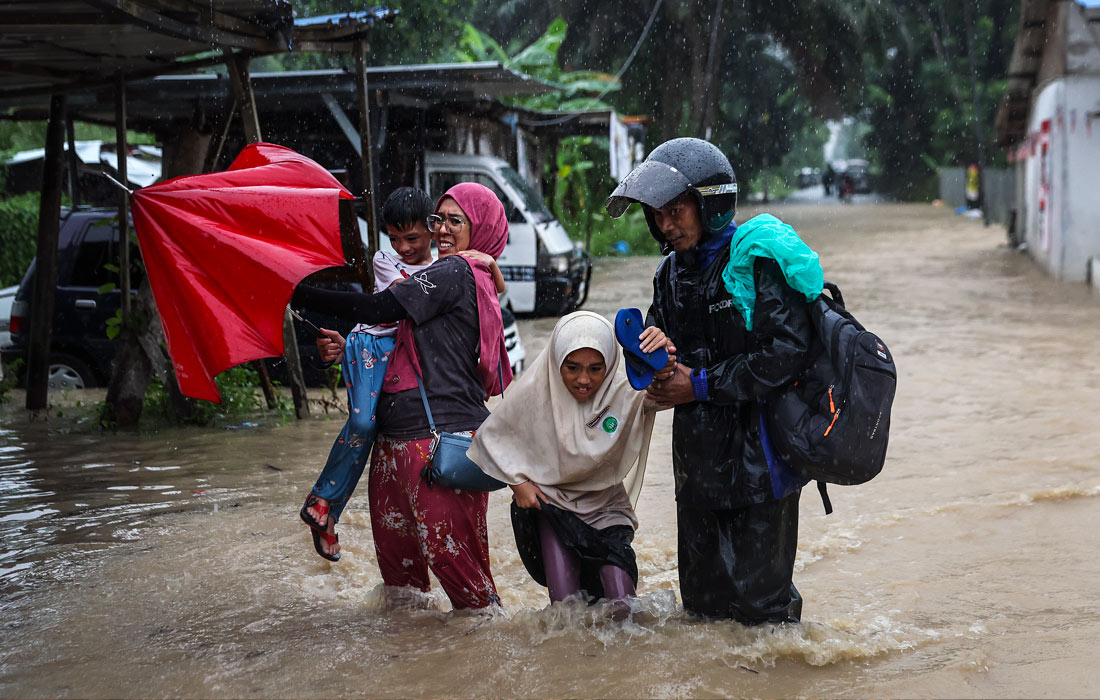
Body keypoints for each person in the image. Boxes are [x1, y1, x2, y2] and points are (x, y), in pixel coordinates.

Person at [605, 137, 819, 625]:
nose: (665, 224)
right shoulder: (669, 275)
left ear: (711, 204)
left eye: (676, 211)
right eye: (657, 214)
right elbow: (662, 363)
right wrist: (649, 356)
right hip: (697, 462)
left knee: (765, 614)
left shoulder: (755, 262)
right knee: (701, 608)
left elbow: (785, 355)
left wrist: (698, 385)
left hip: (761, 460)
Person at [293, 182, 512, 610]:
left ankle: (487, 669)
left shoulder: (455, 272)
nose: (444, 230)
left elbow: (380, 310)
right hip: (395, 441)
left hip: (434, 445)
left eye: (456, 221)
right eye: (440, 219)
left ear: (480, 228)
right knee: (403, 594)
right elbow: (396, 346)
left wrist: (296, 291)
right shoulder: (456, 275)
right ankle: (415, 670)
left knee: (465, 587)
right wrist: (346, 347)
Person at [467, 312, 667, 614]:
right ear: (555, 361)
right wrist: (518, 483)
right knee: (565, 609)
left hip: (607, 509)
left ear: (610, 365)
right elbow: (490, 439)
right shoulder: (535, 392)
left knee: (623, 604)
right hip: (554, 507)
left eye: (595, 369)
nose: (584, 379)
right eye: (572, 368)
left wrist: (663, 358)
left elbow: (665, 392)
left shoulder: (625, 391)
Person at [298, 187, 435, 562]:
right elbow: (398, 301)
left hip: (405, 359)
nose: (403, 247)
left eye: (412, 238)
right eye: (396, 238)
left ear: (432, 230)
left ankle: (325, 510)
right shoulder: (385, 260)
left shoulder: (448, 265)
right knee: (361, 426)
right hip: (371, 348)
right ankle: (323, 501)